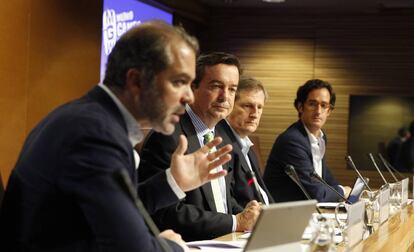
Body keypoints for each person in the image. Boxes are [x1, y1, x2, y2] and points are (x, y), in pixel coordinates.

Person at [0, 21, 234, 252]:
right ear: (136, 81)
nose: (189, 97)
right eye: (179, 82)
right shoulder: (94, 134)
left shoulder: (88, 117)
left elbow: (113, 207)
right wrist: (174, 247)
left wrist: (173, 181)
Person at [138, 52, 261, 241]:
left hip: (225, 241)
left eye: (232, 89)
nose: (225, 97)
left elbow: (223, 202)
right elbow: (167, 213)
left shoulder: (221, 135)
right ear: (193, 87)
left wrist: (248, 215)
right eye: (216, 86)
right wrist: (235, 222)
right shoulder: (168, 136)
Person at [263, 79, 351, 202]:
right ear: (300, 107)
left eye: (324, 105)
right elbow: (317, 195)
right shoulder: (292, 141)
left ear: (329, 111)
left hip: (307, 211)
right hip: (286, 213)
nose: (318, 111)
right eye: (312, 104)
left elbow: (323, 178)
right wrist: (343, 191)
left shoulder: (321, 137)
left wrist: (347, 194)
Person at [222, 76, 274, 207]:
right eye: (248, 106)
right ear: (231, 104)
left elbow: (260, 193)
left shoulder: (248, 145)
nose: (255, 114)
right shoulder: (222, 144)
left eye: (259, 107)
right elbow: (225, 201)